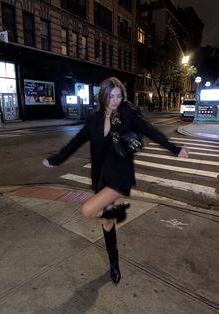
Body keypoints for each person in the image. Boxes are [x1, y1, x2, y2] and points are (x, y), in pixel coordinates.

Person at [42, 77, 189, 284]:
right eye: (111, 96)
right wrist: (56, 159)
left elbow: (150, 132)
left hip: (120, 175)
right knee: (107, 221)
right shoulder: (94, 119)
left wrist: (175, 149)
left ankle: (119, 211)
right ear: (103, 96)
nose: (115, 101)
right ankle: (114, 263)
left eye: (119, 96)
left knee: (87, 210)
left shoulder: (126, 114)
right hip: (101, 177)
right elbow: (75, 142)